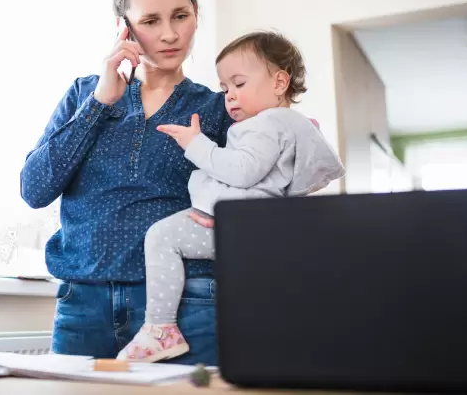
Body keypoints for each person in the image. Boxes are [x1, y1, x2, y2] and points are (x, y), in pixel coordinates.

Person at [20, 0, 231, 365]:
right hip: (82, 305)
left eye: (181, 15)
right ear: (125, 29)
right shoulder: (84, 94)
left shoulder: (218, 109)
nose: (170, 34)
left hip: (185, 306)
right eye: (151, 21)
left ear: (195, 14)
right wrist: (100, 102)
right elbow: (34, 189)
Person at [116, 31, 346, 362]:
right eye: (225, 88)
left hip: (236, 225)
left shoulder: (266, 124)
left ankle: (161, 329)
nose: (230, 96)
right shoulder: (286, 124)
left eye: (239, 83)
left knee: (161, 237)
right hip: (250, 227)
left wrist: (195, 144)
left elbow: (242, 170)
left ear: (280, 83)